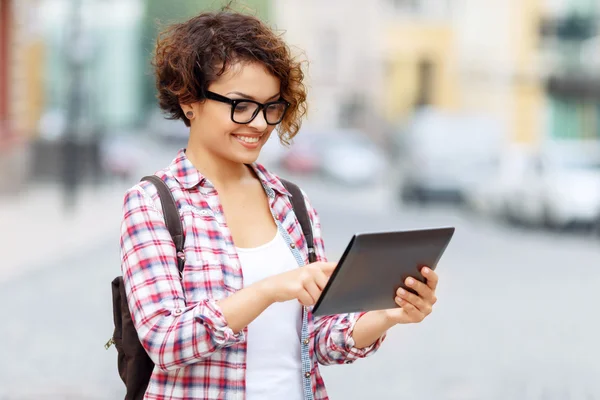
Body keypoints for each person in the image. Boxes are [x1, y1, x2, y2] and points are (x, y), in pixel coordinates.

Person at [120, 9, 439, 400]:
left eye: (272, 107)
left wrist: (388, 314)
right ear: (189, 99)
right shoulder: (154, 203)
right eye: (241, 105)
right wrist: (269, 289)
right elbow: (165, 342)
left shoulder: (292, 203)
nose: (258, 124)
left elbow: (319, 340)